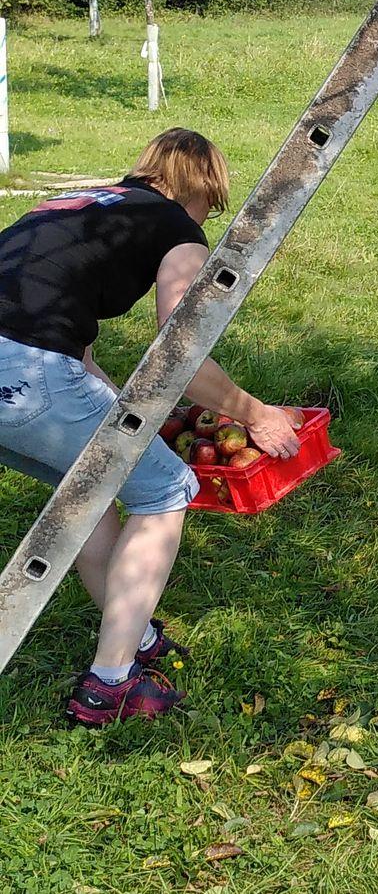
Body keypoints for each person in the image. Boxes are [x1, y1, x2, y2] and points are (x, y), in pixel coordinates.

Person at [0, 129, 301, 725]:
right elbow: (180, 354)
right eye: (210, 208)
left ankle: (132, 638)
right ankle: (109, 685)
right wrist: (255, 414)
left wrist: (129, 419)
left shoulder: (81, 206)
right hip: (27, 370)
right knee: (165, 489)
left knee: (89, 486)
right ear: (203, 192)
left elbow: (73, 347)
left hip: (21, 369)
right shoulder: (174, 227)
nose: (205, 220)